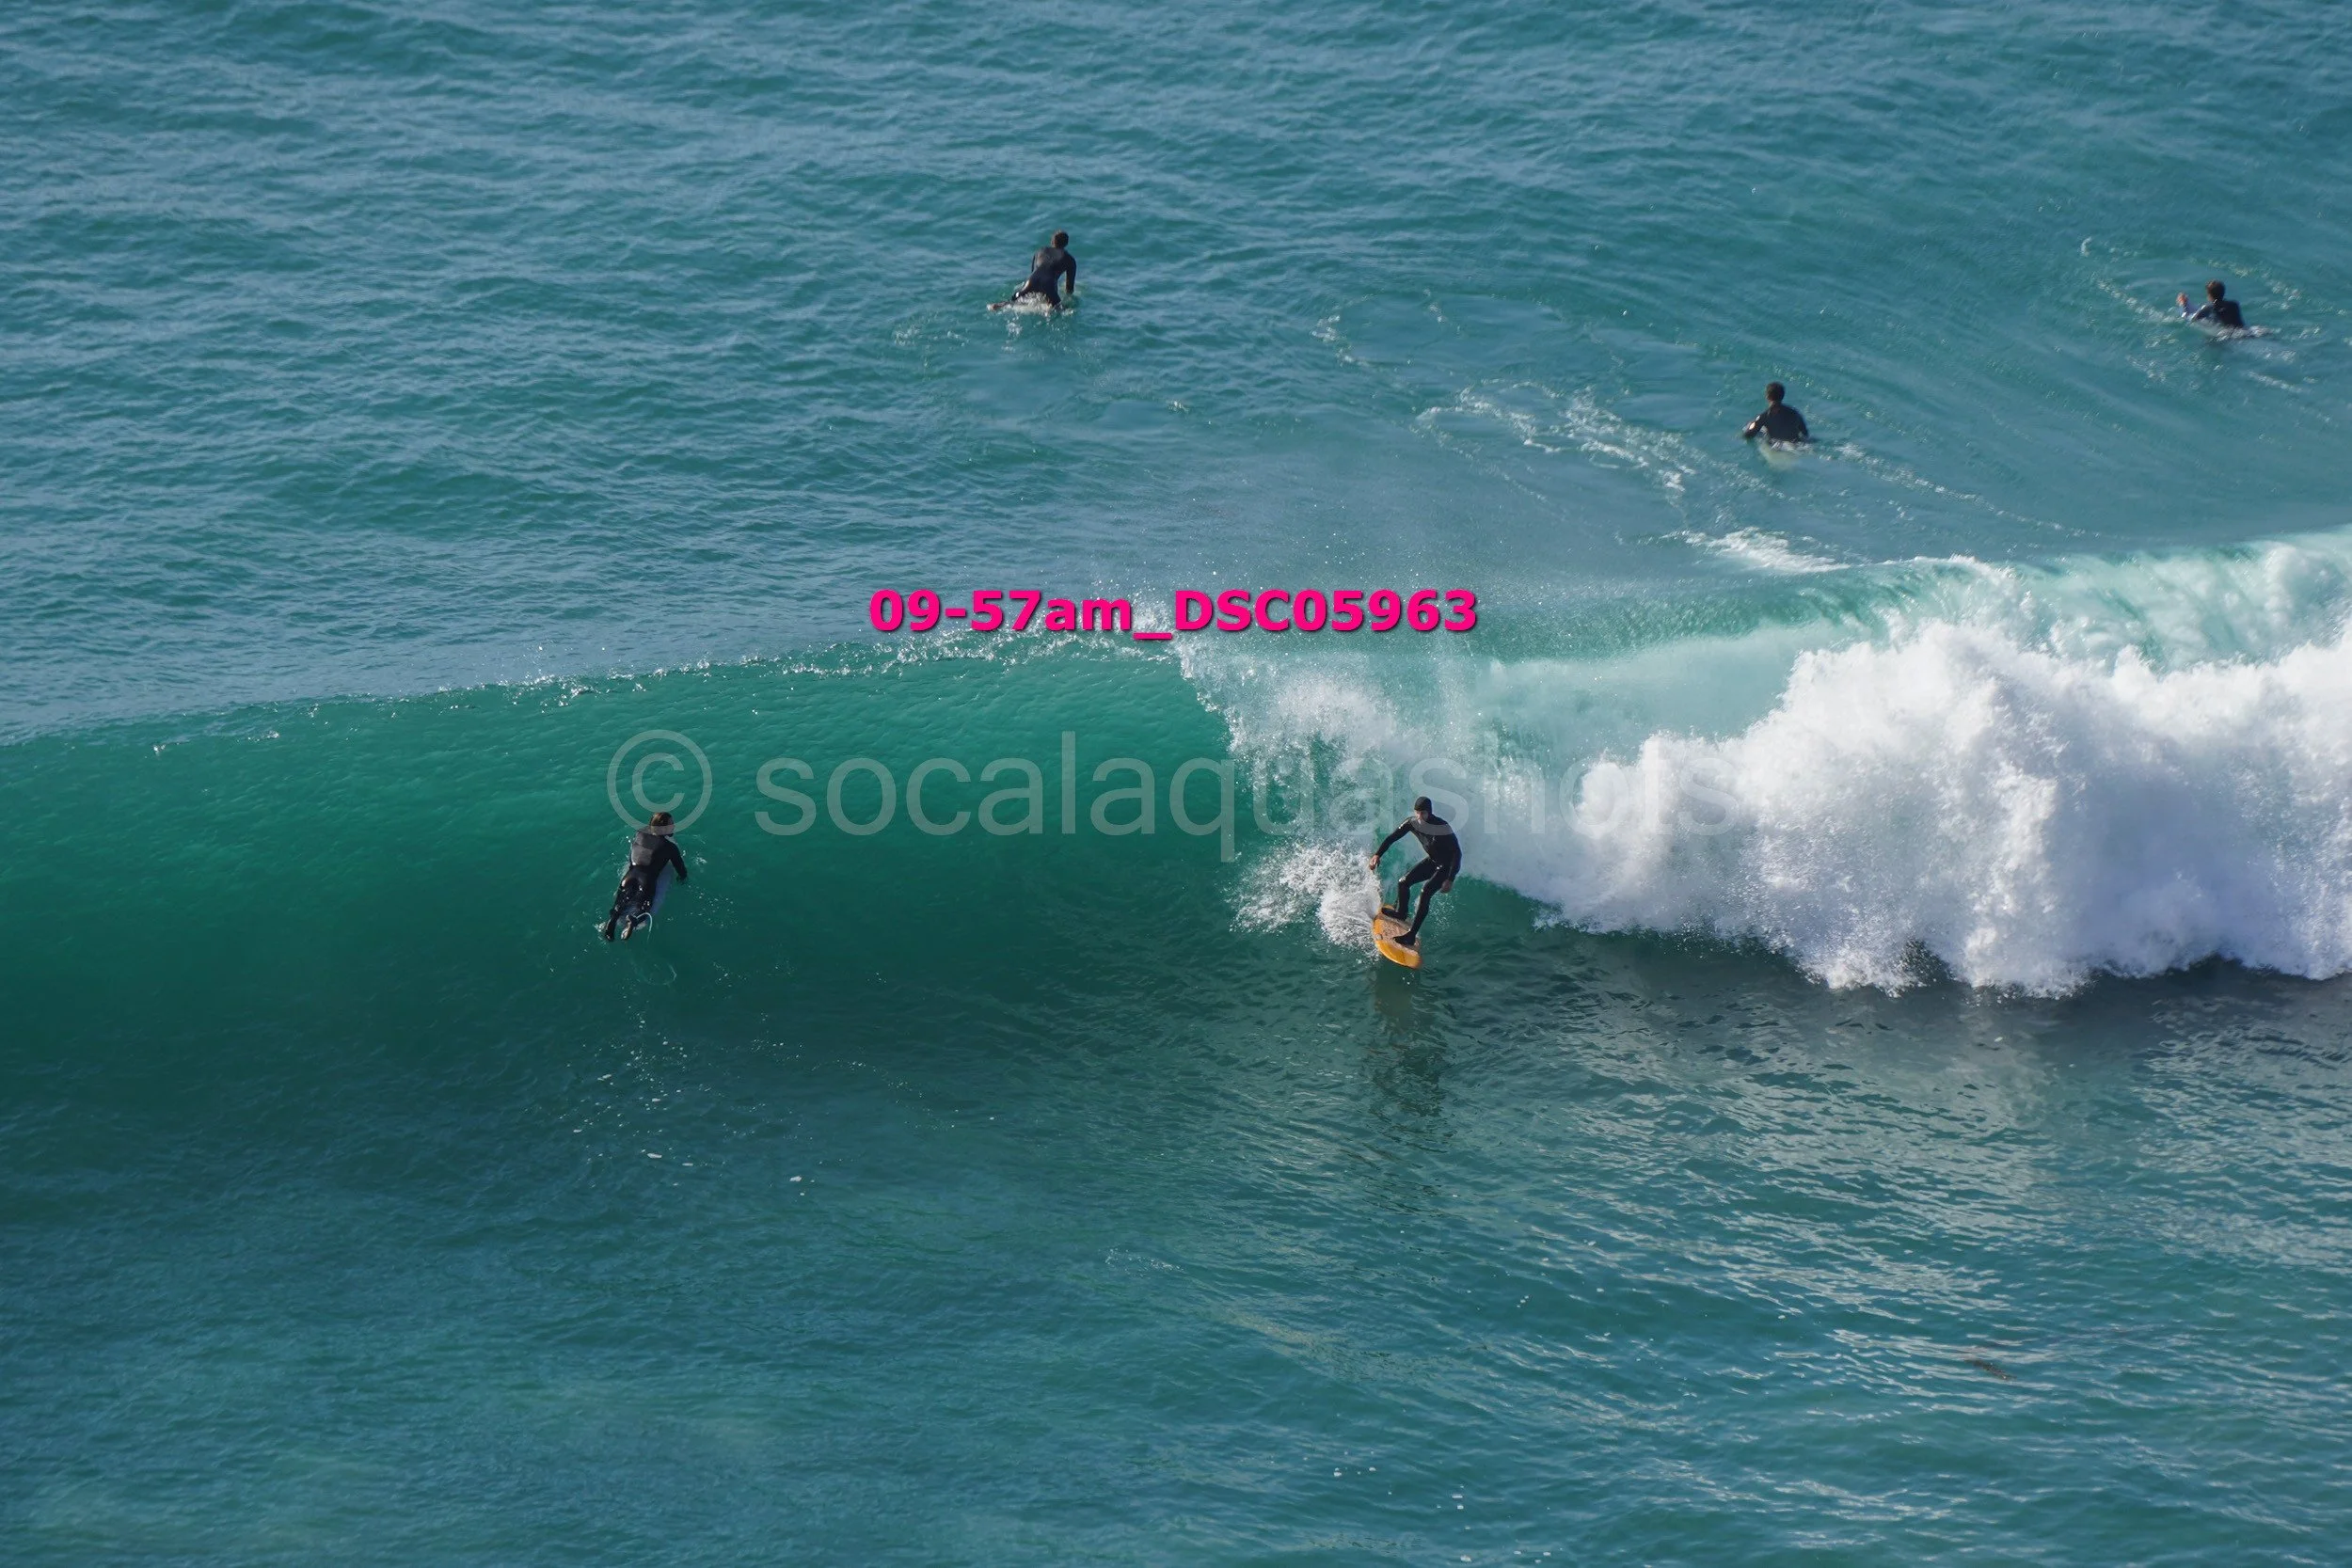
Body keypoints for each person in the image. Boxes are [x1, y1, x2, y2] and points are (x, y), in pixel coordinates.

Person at [1369, 797, 1462, 948]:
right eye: (1417, 813)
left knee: (1425, 892)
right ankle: (1401, 913)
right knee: (1403, 883)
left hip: (1446, 866)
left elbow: (1457, 854)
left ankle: (1411, 936)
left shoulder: (1441, 827)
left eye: (1423, 813)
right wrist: (1377, 854)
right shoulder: (1411, 823)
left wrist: (1450, 878)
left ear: (1430, 813)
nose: (1420, 817)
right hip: (1432, 861)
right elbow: (1392, 838)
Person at [603, 810, 687, 942]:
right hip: (647, 880)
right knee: (645, 907)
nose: (674, 826)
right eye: (671, 824)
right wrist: (682, 879)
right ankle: (633, 921)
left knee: (620, 903)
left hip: (629, 876)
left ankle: (612, 920)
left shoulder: (640, 833)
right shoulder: (670, 847)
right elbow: (681, 869)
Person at [993, 230, 1077, 311]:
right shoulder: (1070, 259)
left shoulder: (1040, 251)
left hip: (1032, 280)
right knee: (1059, 308)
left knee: (1014, 300)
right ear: (1066, 243)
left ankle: (996, 306)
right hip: (1049, 284)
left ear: (1052, 241)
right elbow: (1069, 289)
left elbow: (1033, 271)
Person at [1741, 382, 1809, 444]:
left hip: (1778, 447)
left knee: (1755, 428)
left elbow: (1748, 435)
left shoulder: (1764, 416)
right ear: (1782, 396)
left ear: (1767, 397)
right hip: (1796, 445)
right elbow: (1805, 433)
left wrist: (1750, 425)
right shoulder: (1795, 413)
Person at [2179, 279, 2248, 331]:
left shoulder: (2209, 307)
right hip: (2246, 331)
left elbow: (2190, 319)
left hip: (2231, 335)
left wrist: (2183, 304)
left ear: (2209, 295)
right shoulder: (2234, 304)